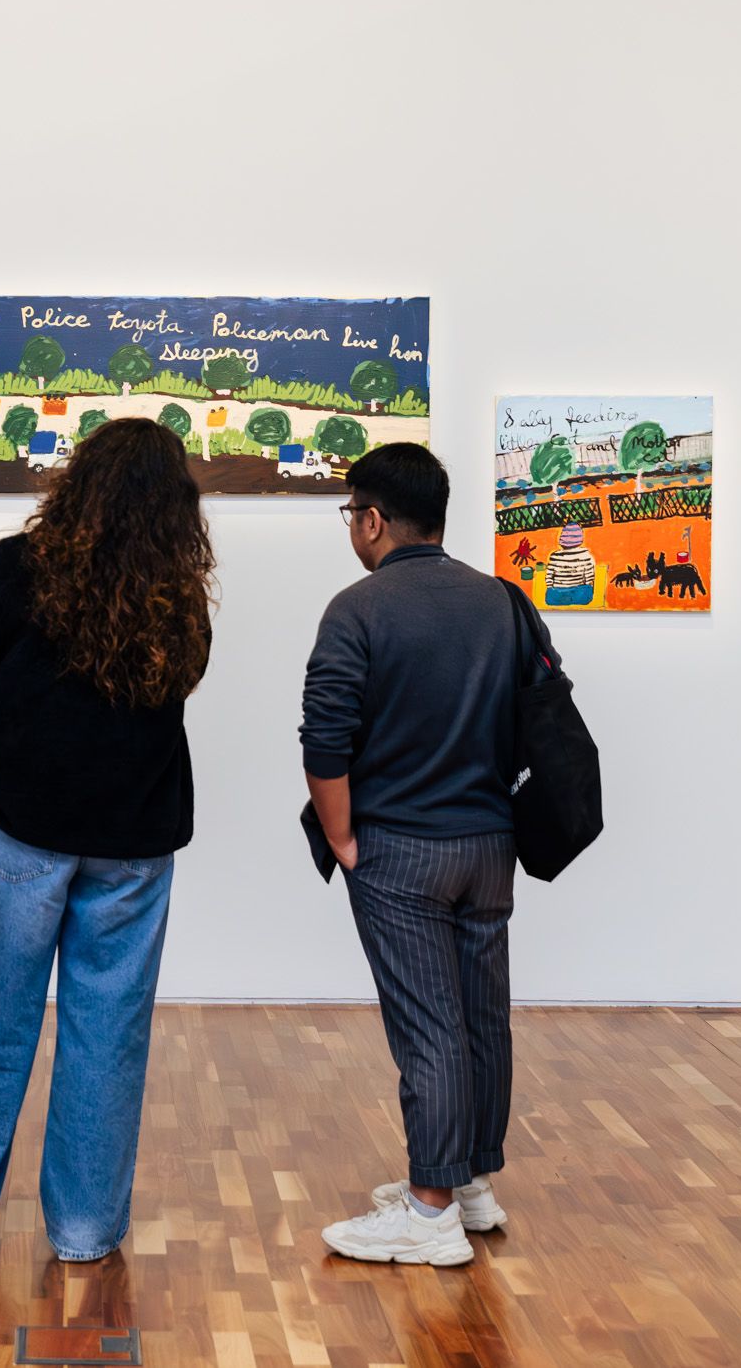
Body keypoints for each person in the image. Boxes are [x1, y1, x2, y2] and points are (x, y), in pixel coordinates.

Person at [0, 417, 216, 1263]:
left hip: (21, 834)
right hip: (136, 846)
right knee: (109, 1038)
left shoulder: (17, 567)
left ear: (81, 485)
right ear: (174, 504)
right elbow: (180, 687)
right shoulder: (178, 592)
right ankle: (83, 1229)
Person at [300, 442, 559, 1268]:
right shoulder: (501, 603)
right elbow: (539, 713)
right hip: (489, 847)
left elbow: (326, 736)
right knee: (481, 1016)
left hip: (402, 851)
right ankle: (473, 1185)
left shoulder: (358, 608)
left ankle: (429, 1210)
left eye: (352, 514)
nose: (352, 529)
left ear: (373, 519)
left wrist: (343, 838)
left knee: (429, 1027)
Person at [541, 522, 596, 606]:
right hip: (580, 595)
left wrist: (551, 587)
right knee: (587, 590)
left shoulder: (554, 556)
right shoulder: (586, 555)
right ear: (580, 538)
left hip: (558, 594)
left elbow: (549, 577)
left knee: (551, 596)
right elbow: (589, 578)